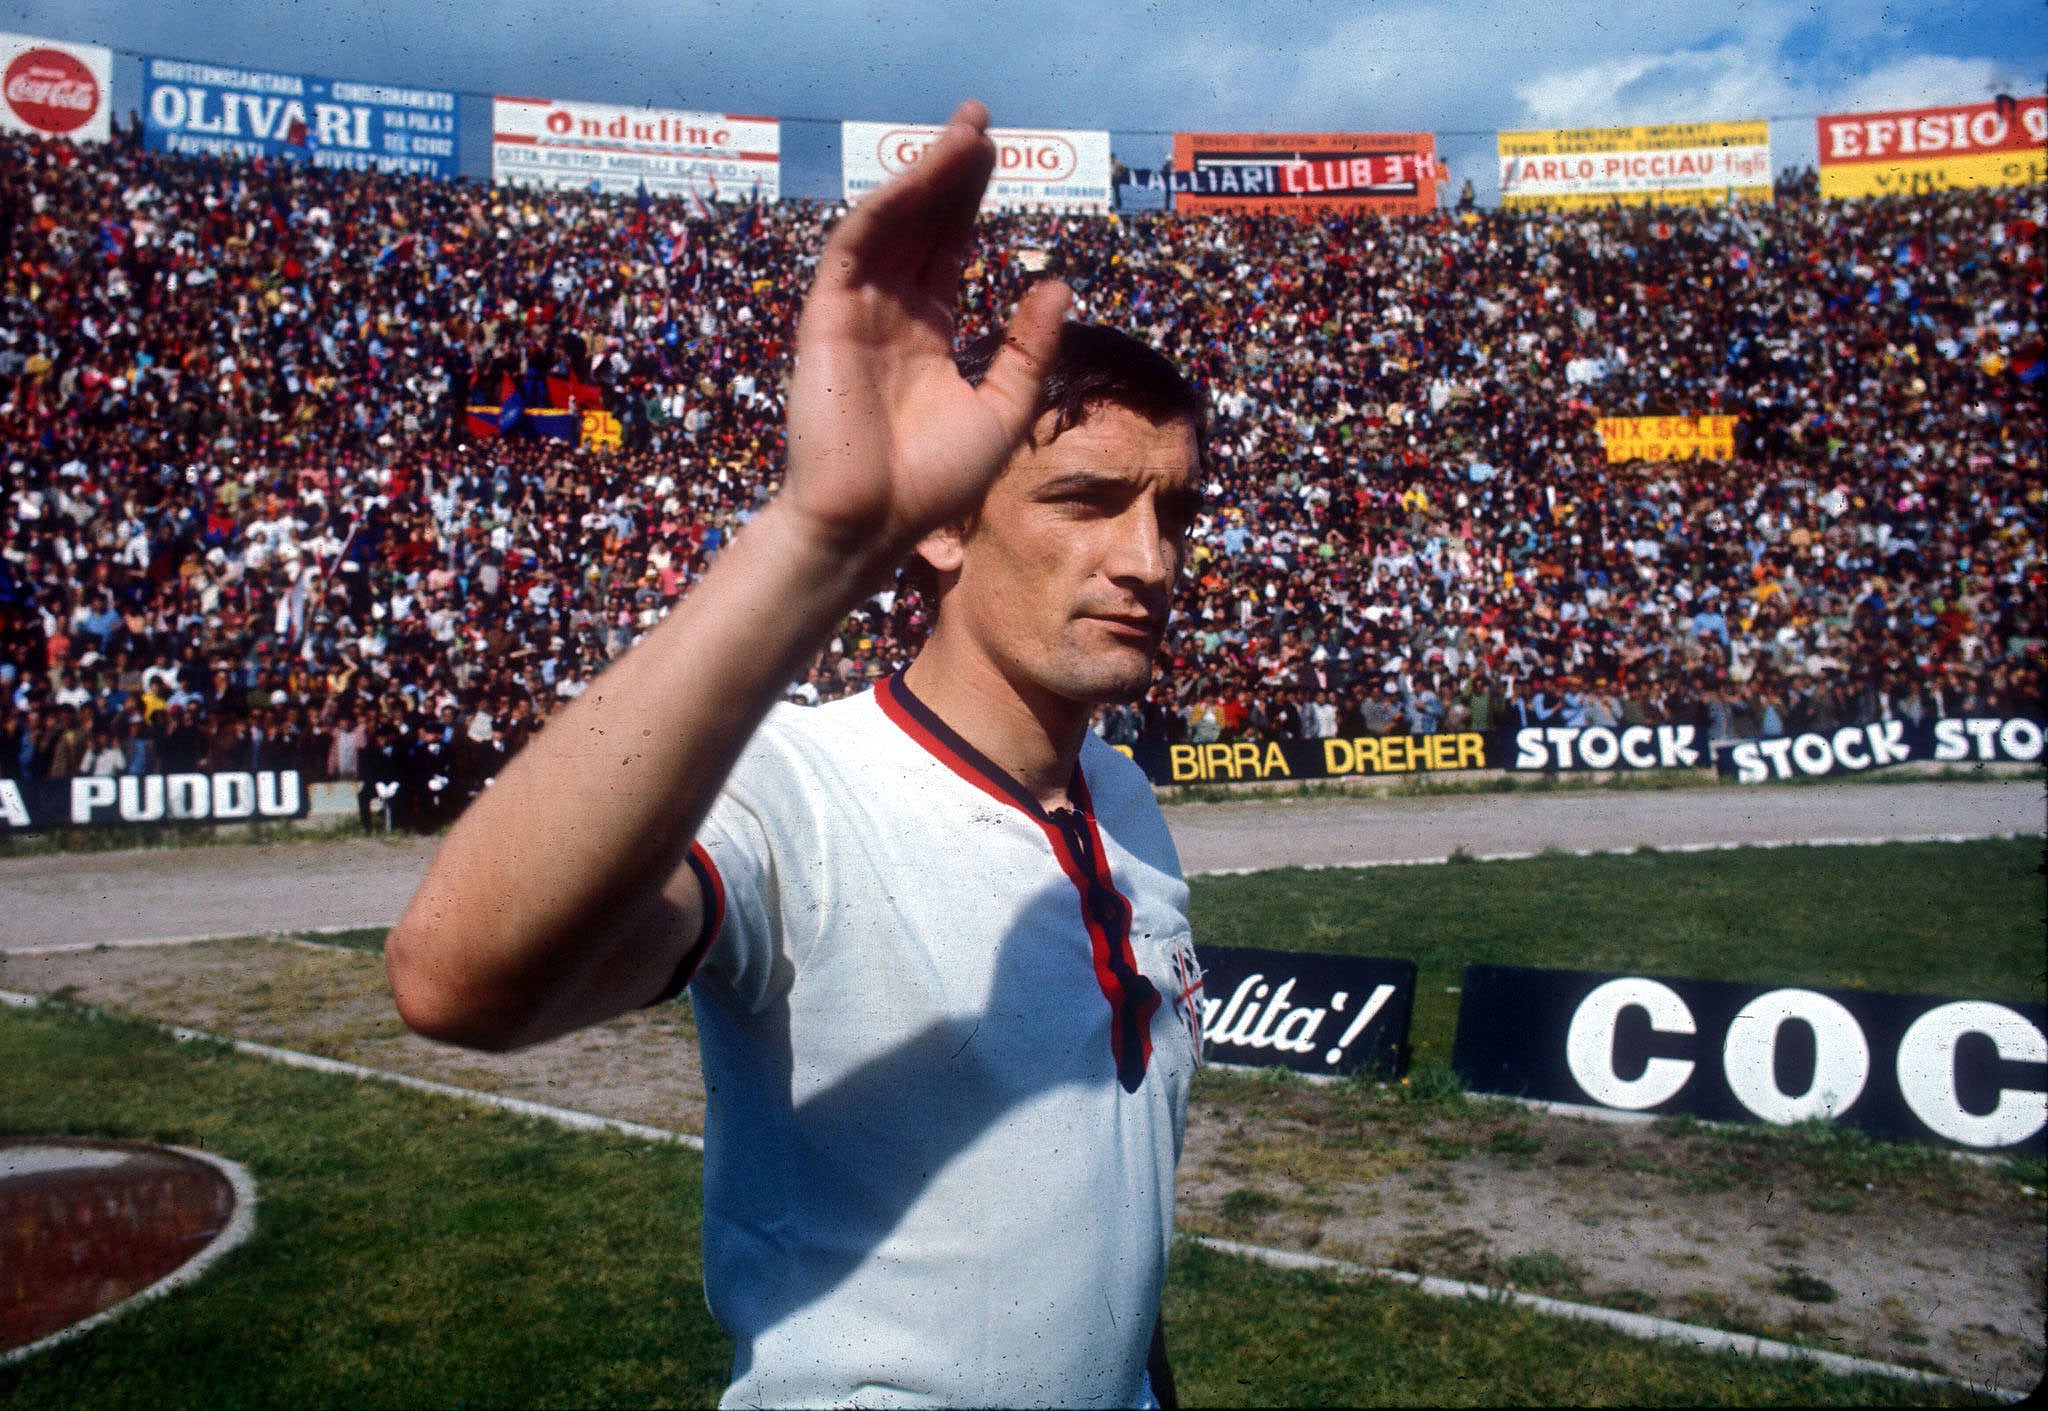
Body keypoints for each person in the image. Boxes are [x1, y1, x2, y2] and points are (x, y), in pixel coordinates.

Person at [386, 101, 1205, 1409]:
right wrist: (820, 538)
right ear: (942, 529)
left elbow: (1112, 1209)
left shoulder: (1124, 794)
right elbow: (455, 979)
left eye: (1173, 511)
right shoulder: (797, 794)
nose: (1150, 561)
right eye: (1088, 501)